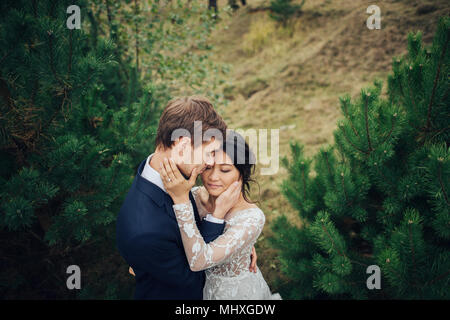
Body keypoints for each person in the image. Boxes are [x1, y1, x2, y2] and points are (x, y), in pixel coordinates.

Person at [116, 96, 257, 300]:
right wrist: (223, 233)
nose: (210, 162)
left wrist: (236, 242)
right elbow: (198, 278)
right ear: (182, 147)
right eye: (209, 153)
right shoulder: (146, 232)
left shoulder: (167, 173)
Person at [160, 130, 281, 300]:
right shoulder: (192, 196)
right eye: (208, 167)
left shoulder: (251, 218)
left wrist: (240, 243)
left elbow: (199, 261)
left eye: (225, 170)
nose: (213, 177)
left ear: (242, 173)